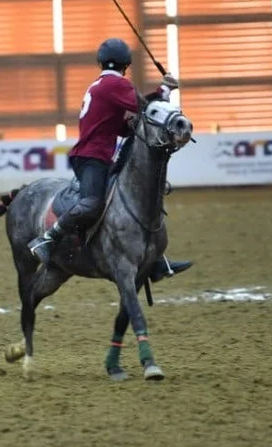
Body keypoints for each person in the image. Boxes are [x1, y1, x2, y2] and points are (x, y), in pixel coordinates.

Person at [27, 37, 192, 282]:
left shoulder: (101, 85)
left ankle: (155, 260)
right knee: (92, 204)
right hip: (91, 157)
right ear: (126, 64)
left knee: (133, 199)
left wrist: (131, 123)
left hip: (102, 155)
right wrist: (165, 89)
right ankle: (48, 239)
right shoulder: (114, 84)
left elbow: (120, 127)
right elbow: (144, 106)